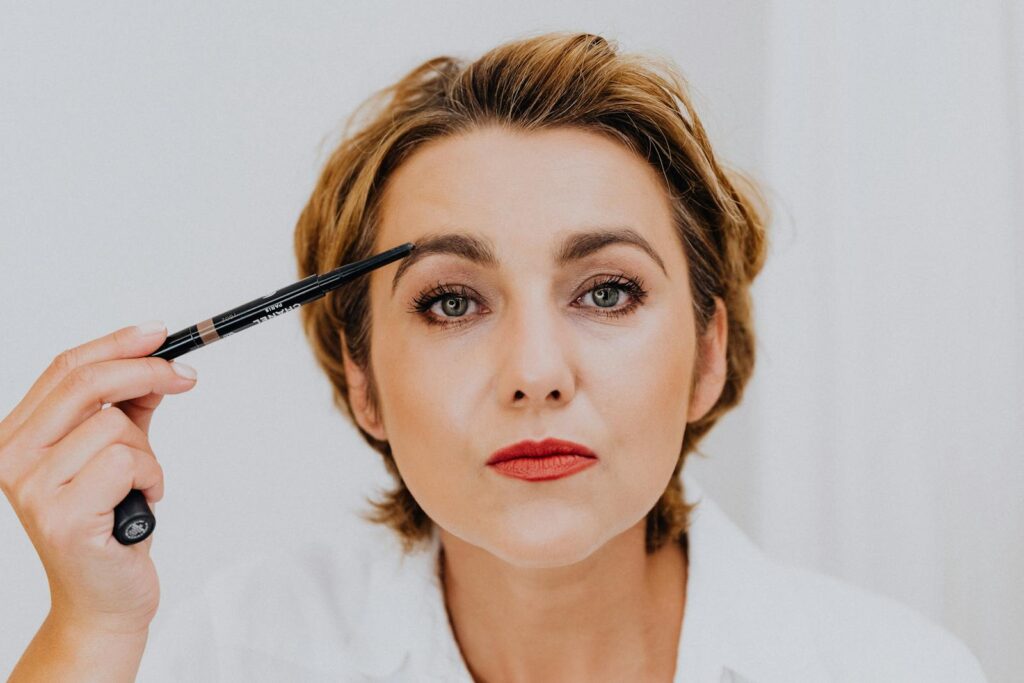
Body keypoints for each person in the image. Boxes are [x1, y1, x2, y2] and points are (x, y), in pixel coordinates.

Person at [2, 31, 987, 682]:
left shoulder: (894, 667)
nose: (535, 370)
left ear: (707, 356)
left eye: (607, 290)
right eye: (451, 301)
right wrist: (89, 627)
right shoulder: (242, 650)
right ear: (362, 382)